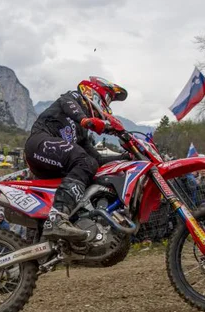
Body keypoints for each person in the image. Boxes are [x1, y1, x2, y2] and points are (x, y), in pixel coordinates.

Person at [24, 76, 128, 241]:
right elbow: (69, 106)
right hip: (39, 142)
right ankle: (57, 218)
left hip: (51, 160)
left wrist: (124, 157)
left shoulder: (81, 132)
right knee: (83, 160)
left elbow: (97, 159)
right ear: (93, 92)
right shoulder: (72, 98)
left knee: (90, 163)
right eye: (107, 99)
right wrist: (85, 120)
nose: (107, 105)